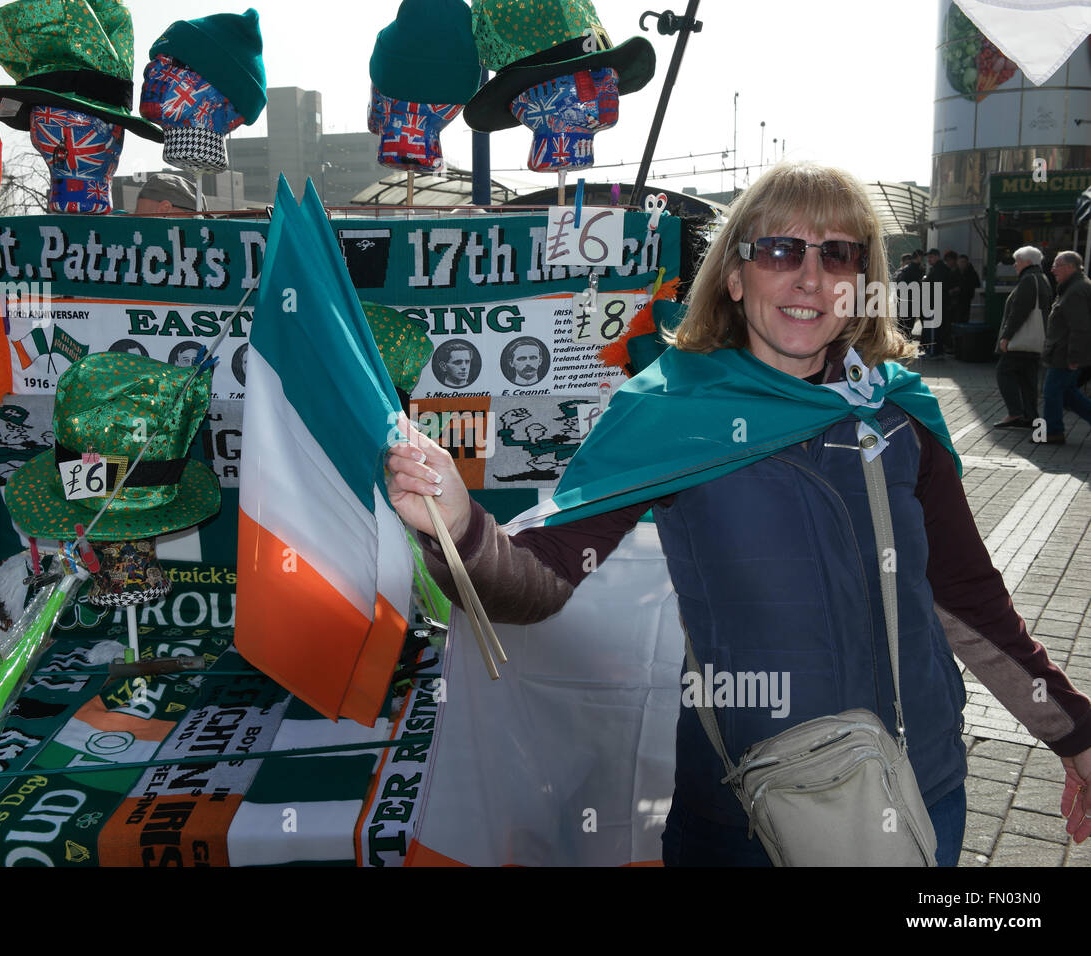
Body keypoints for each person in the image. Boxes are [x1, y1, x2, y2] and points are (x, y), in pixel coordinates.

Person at [386, 161, 1091, 866]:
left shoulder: (899, 411)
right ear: (733, 275)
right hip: (751, 819)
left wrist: (1073, 732)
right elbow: (536, 581)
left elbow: (968, 598)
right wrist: (460, 527)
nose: (810, 278)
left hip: (920, 792)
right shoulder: (666, 411)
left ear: (863, 281)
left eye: (837, 253)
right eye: (780, 251)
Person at [1037, 250, 1091, 445]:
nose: (1052, 270)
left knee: (1051, 392)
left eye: (1056, 265)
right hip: (1061, 351)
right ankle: (1053, 431)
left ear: (1070, 267)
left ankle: (1052, 432)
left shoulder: (1077, 290)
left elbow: (1080, 327)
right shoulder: (1072, 287)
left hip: (1065, 354)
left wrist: (1074, 358)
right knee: (1068, 394)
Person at [995, 246, 1051, 428]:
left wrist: (1006, 336)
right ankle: (1030, 416)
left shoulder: (1028, 280)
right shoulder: (1041, 278)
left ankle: (1015, 412)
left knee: (1004, 371)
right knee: (1028, 378)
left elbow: (1019, 311)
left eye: (1017, 261)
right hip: (1034, 341)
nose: (1014, 265)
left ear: (1027, 262)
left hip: (1020, 340)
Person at [923, 247, 952, 357]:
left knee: (934, 329)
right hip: (938, 302)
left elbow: (937, 286)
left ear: (937, 257)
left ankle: (934, 351)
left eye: (931, 257)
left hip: (936, 303)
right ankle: (937, 351)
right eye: (928, 257)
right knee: (937, 328)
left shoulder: (939, 269)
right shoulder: (938, 268)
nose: (929, 259)